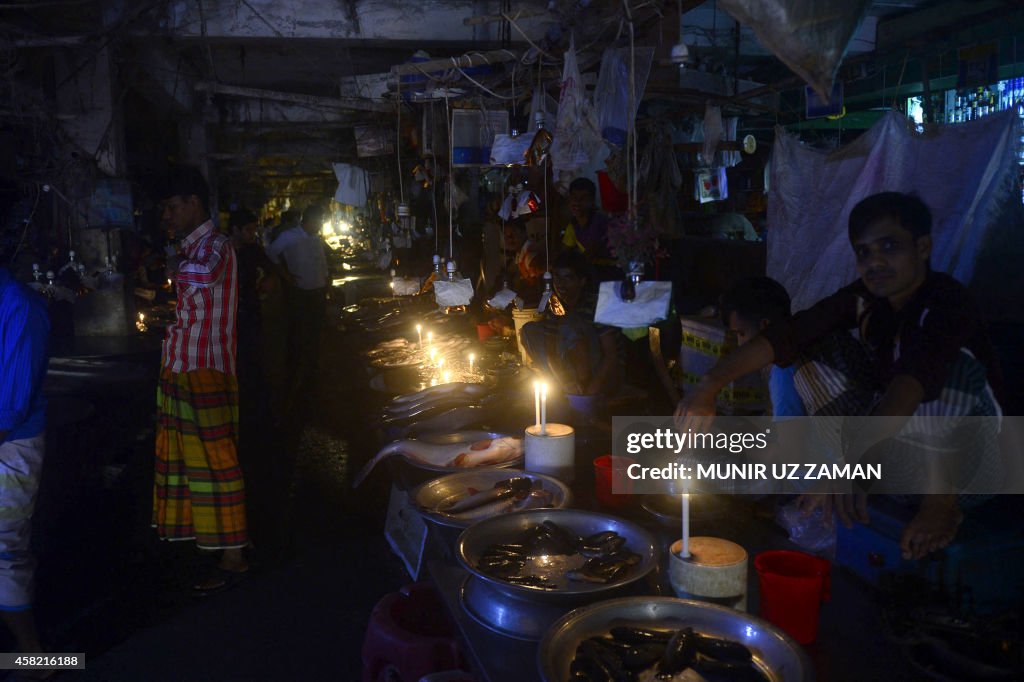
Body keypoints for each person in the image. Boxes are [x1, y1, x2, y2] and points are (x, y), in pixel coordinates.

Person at [676, 191, 1004, 560]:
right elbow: (792, 333)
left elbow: (914, 383)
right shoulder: (867, 299)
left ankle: (941, 502)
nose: (874, 262)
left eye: (889, 246)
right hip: (905, 447)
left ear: (923, 247)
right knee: (807, 348)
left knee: (951, 372)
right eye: (864, 252)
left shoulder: (946, 302)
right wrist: (709, 385)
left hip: (971, 462)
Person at [155, 165, 249, 593]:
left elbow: (202, 275)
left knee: (218, 465)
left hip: (206, 370)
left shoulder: (215, 245)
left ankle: (233, 556)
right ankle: (205, 540)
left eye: (172, 207)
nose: (168, 216)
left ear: (194, 203)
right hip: (181, 368)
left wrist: (171, 270)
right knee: (190, 464)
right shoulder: (190, 249)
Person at [0, 266, 50, 660]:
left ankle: (33, 658)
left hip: (11, 446)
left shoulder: (20, 304)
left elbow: (11, 407)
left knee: (5, 552)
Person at [520, 249, 621, 399]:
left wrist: (594, 385)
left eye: (568, 278)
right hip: (568, 364)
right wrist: (565, 380)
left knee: (571, 324)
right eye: (557, 278)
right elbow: (549, 348)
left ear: (582, 281)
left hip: (599, 368)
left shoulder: (597, 303)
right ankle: (568, 385)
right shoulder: (555, 305)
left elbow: (611, 355)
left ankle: (581, 386)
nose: (560, 284)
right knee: (528, 330)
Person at [267, 203, 329, 417]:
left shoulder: (315, 237)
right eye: (319, 222)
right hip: (300, 291)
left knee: (315, 328)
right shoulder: (290, 236)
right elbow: (271, 253)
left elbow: (320, 260)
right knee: (298, 329)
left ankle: (311, 366)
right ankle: (294, 372)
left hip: (317, 289)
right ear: (309, 221)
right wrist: (285, 276)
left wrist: (326, 280)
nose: (320, 226)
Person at [559, 178, 618, 282]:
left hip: (613, 271)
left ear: (592, 201)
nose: (577, 202)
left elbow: (589, 256)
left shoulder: (599, 221)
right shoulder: (573, 225)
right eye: (574, 197)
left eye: (583, 198)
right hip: (594, 270)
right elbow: (563, 253)